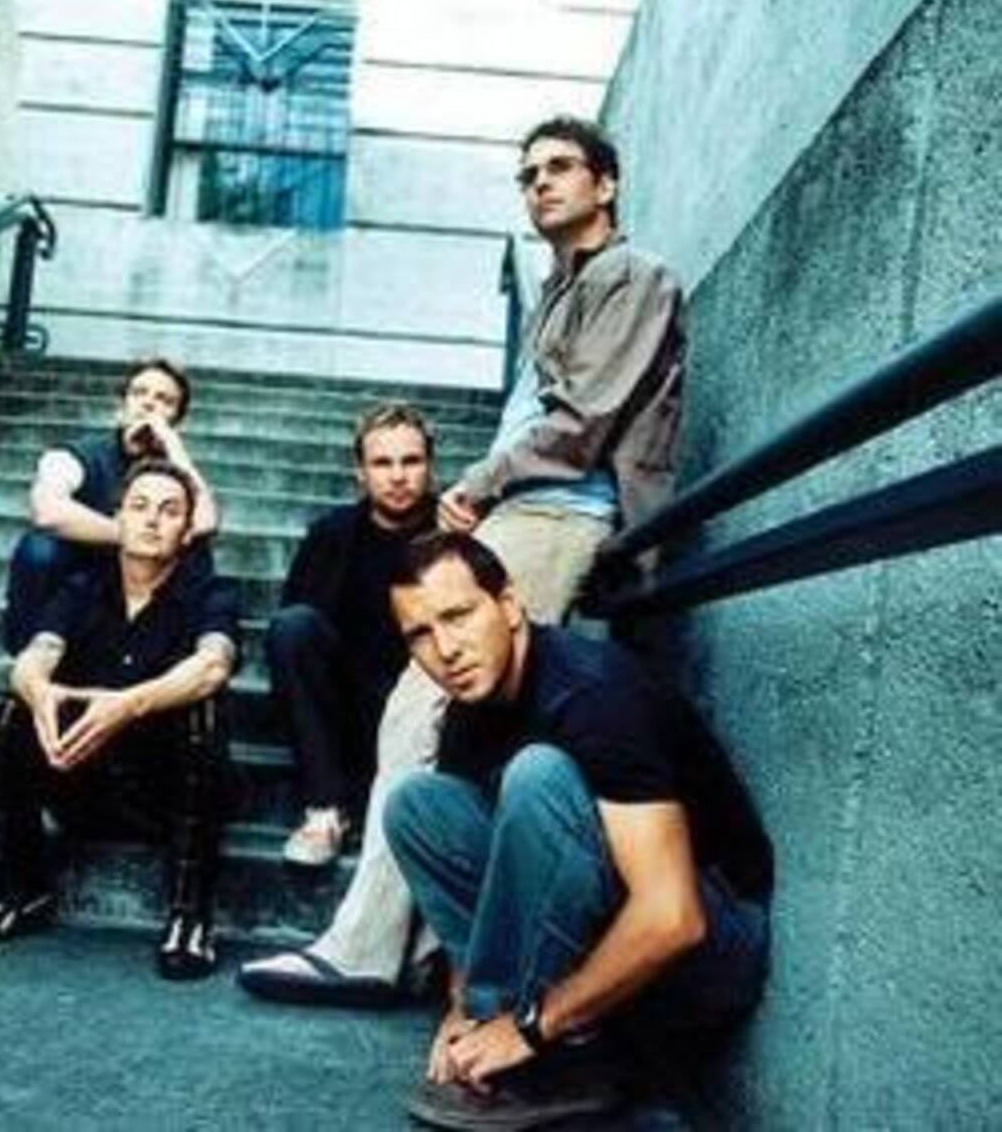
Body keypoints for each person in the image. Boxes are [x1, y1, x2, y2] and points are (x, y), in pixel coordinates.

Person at [238, 114, 687, 1003]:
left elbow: (584, 423)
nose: (540, 183)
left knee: (421, 704)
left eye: (560, 167)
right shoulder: (561, 288)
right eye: (527, 174)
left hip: (560, 511)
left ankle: (367, 947)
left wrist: (480, 482)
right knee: (449, 723)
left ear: (606, 184)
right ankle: (415, 948)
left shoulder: (635, 276)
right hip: (523, 508)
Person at [383, 533, 772, 1129]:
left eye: (458, 616)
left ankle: (554, 1055)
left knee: (539, 776)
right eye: (420, 634)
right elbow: (485, 903)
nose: (446, 649)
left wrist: (529, 1027)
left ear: (509, 604)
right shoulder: (468, 712)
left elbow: (674, 918)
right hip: (602, 933)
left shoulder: (594, 695)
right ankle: (530, 1037)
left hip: (710, 951)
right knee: (418, 807)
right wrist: (463, 1006)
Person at [0, 460, 240, 980]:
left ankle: (190, 916)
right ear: (118, 518)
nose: (152, 520)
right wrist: (39, 692)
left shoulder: (210, 592)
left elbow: (212, 666)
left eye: (170, 510)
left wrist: (127, 704)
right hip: (82, 775)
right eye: (139, 506)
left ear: (187, 530)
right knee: (5, 711)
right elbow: (33, 658)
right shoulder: (83, 586)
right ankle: (16, 889)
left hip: (165, 790)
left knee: (203, 710)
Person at [268, 403, 438, 868]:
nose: (398, 476)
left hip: (425, 703)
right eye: (382, 463)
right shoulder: (330, 534)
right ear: (360, 472)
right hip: (345, 709)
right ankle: (325, 811)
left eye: (411, 461)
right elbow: (295, 650)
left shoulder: (452, 535)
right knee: (292, 627)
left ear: (430, 466)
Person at [3, 356, 219, 654]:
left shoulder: (176, 466)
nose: (149, 404)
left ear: (177, 420)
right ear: (121, 406)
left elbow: (206, 521)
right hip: (84, 584)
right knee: (39, 550)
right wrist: (130, 534)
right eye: (139, 393)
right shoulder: (76, 456)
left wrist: (173, 446)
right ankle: (31, 661)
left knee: (196, 550)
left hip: (146, 591)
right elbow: (47, 511)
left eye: (164, 400)